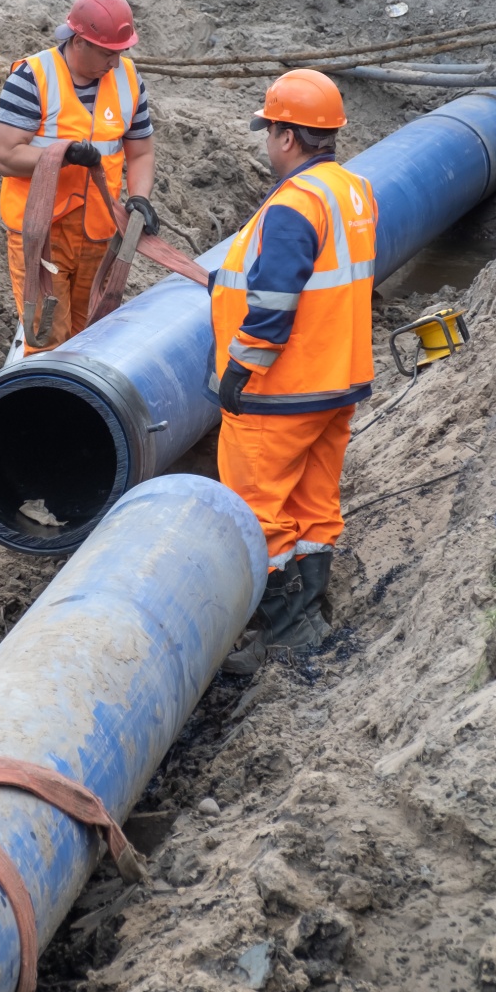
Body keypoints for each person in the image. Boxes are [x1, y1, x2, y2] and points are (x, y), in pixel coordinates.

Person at [209, 71, 377, 675]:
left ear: (286, 135)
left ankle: (287, 632)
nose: (266, 144)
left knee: (259, 513)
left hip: (281, 391)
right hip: (337, 381)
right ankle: (312, 610)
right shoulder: (353, 191)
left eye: (268, 132)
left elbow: (275, 303)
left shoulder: (293, 205)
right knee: (313, 508)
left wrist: (240, 367)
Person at [0, 0, 161, 355]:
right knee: (48, 341)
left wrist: (140, 198)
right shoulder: (32, 77)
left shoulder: (128, 79)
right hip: (41, 235)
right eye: (107, 53)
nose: (114, 63)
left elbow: (140, 152)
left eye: (121, 53)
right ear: (79, 40)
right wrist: (62, 155)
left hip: (98, 233)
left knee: (92, 339)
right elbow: (6, 156)